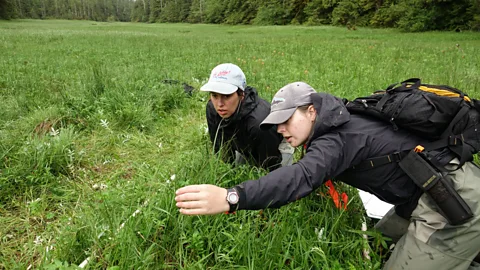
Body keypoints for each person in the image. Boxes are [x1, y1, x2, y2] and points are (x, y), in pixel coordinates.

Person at [175, 82, 480, 269]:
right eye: (276, 125)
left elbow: (300, 178)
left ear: (310, 111)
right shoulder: (343, 117)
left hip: (456, 205)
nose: (280, 130)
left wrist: (232, 197)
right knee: (377, 244)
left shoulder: (335, 140)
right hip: (423, 196)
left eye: (285, 121)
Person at [200, 63, 293, 171]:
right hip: (243, 141)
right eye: (214, 95)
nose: (219, 104)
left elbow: (271, 163)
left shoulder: (259, 122)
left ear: (241, 94)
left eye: (227, 96)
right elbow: (219, 147)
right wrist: (226, 168)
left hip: (275, 144)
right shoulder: (212, 108)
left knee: (278, 177)